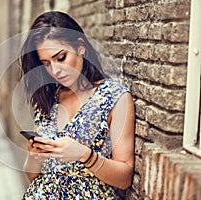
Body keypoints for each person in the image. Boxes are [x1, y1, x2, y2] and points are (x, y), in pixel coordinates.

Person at [19, 11, 135, 200]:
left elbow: (124, 178)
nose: (55, 70)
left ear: (80, 47)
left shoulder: (114, 97)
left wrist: (84, 155)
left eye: (61, 57)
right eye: (46, 63)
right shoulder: (48, 98)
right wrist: (34, 156)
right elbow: (33, 177)